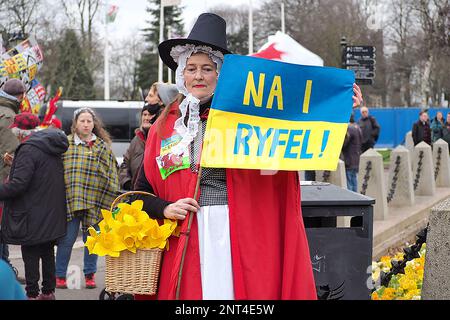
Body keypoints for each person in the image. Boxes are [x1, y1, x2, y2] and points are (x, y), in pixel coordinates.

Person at [133, 13, 363, 300]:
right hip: (185, 238)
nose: (199, 76)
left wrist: (340, 108)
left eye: (207, 68)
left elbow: (303, 127)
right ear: (182, 73)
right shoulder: (165, 125)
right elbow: (140, 192)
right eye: (191, 68)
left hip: (240, 232)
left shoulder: (252, 116)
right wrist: (165, 208)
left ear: (220, 73)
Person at [0, 113, 68, 300]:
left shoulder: (28, 149)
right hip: (50, 211)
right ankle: (48, 292)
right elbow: (39, 174)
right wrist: (15, 164)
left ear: (19, 132)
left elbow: (19, 184)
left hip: (31, 212)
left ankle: (32, 294)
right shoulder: (46, 145)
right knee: (47, 253)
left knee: (30, 253)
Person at [55, 108, 119, 290]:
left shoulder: (101, 146)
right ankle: (60, 275)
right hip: (71, 199)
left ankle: (90, 275)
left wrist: (113, 194)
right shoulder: (65, 144)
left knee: (92, 240)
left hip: (96, 199)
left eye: (89, 121)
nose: (85, 124)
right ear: (75, 124)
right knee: (66, 240)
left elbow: (112, 172)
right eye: (82, 121)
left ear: (94, 124)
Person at [119, 83, 178, 190]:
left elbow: (170, 167)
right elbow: (126, 163)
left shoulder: (168, 127)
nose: (146, 98)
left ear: (161, 100)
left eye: (151, 96)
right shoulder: (142, 135)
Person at [0, 79, 26, 268]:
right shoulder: (9, 116)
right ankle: (4, 269)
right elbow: (8, 156)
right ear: (21, 96)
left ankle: (6, 266)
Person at [342, 114, 363, 192]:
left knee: (349, 181)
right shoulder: (358, 127)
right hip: (356, 157)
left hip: (349, 158)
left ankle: (352, 198)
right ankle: (356, 197)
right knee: (354, 179)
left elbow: (344, 143)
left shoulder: (348, 129)